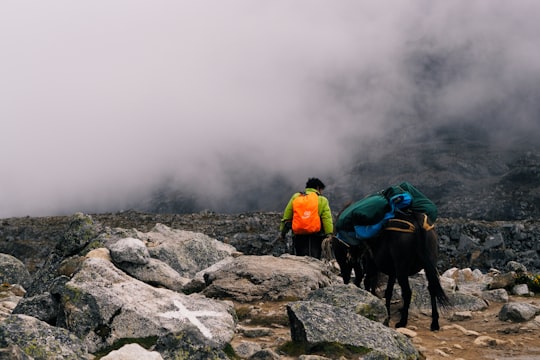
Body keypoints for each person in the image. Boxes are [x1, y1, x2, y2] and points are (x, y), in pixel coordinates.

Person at [279, 177, 334, 259]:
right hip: (315, 236)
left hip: (298, 235)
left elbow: (287, 216)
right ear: (318, 188)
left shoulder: (296, 197)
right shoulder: (322, 200)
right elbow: (327, 219)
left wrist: (282, 232)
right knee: (314, 258)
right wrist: (329, 234)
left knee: (300, 258)